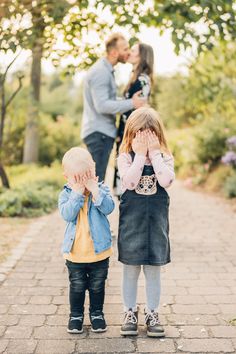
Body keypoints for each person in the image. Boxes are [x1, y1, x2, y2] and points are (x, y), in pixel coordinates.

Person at [117, 107, 175, 337]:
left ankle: (152, 312)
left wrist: (155, 154)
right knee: (130, 270)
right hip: (133, 225)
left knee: (153, 271)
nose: (143, 140)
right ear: (130, 136)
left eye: (149, 135)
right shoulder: (125, 158)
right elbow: (130, 183)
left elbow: (166, 180)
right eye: (138, 135)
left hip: (156, 225)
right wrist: (140, 155)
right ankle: (129, 311)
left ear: (158, 136)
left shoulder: (165, 158)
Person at [58, 147, 115, 334]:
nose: (83, 182)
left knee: (98, 286)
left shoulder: (102, 189)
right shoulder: (66, 194)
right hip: (75, 254)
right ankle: (75, 315)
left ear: (93, 170)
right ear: (67, 177)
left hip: (99, 253)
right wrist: (76, 193)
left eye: (86, 176)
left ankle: (97, 313)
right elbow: (67, 214)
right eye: (77, 178)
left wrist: (95, 191)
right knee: (77, 286)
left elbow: (108, 208)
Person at [81, 33, 146, 182]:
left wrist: (126, 100)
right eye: (125, 49)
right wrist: (132, 103)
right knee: (96, 184)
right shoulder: (101, 72)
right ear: (114, 52)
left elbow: (107, 100)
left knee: (96, 183)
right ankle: (92, 207)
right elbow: (102, 105)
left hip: (101, 133)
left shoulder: (107, 70)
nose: (128, 52)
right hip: (99, 134)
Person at [113, 42, 154, 197]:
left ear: (142, 56)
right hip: (125, 132)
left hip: (133, 134)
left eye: (134, 50)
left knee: (129, 171)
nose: (129, 52)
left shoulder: (143, 80)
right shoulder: (134, 78)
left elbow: (139, 112)